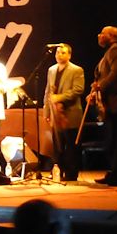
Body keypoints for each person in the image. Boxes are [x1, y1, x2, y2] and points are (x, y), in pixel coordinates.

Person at [90, 26, 117, 187]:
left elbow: (116, 73)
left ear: (112, 36)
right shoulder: (109, 53)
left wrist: (100, 86)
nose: (99, 35)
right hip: (111, 104)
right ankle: (115, 172)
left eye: (103, 33)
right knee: (113, 141)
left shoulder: (116, 51)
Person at [43, 43, 85, 181]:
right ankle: (58, 171)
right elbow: (48, 91)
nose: (59, 55)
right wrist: (47, 112)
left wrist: (59, 98)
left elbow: (78, 90)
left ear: (69, 55)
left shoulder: (76, 70)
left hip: (70, 112)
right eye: (57, 52)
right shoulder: (51, 70)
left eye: (63, 52)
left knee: (71, 144)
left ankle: (72, 173)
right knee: (57, 145)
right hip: (55, 114)